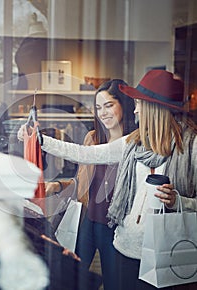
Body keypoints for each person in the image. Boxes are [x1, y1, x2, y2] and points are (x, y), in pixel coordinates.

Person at [18, 69, 197, 290]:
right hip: (126, 247)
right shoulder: (135, 142)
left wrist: (177, 201)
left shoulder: (191, 148)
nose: (135, 108)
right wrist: (40, 140)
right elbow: (87, 154)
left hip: (165, 251)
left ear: (154, 108)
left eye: (139, 103)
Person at [44, 79, 137, 290]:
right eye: (98, 107)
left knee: (116, 284)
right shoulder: (93, 139)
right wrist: (57, 186)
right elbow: (82, 183)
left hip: (116, 228)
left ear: (124, 104)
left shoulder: (135, 144)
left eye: (109, 105)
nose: (103, 113)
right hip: (88, 220)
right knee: (72, 279)